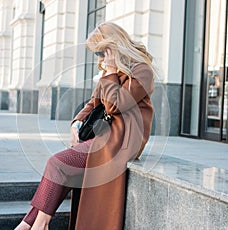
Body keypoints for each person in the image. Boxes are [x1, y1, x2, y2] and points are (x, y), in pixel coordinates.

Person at [15, 22, 154, 230]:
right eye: (97, 54)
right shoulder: (110, 73)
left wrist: (111, 71)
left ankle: (38, 225)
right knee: (63, 169)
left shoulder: (142, 71)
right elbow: (93, 102)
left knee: (57, 163)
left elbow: (116, 104)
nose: (99, 58)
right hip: (104, 136)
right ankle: (28, 224)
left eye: (100, 52)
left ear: (113, 46)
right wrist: (76, 123)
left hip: (123, 140)